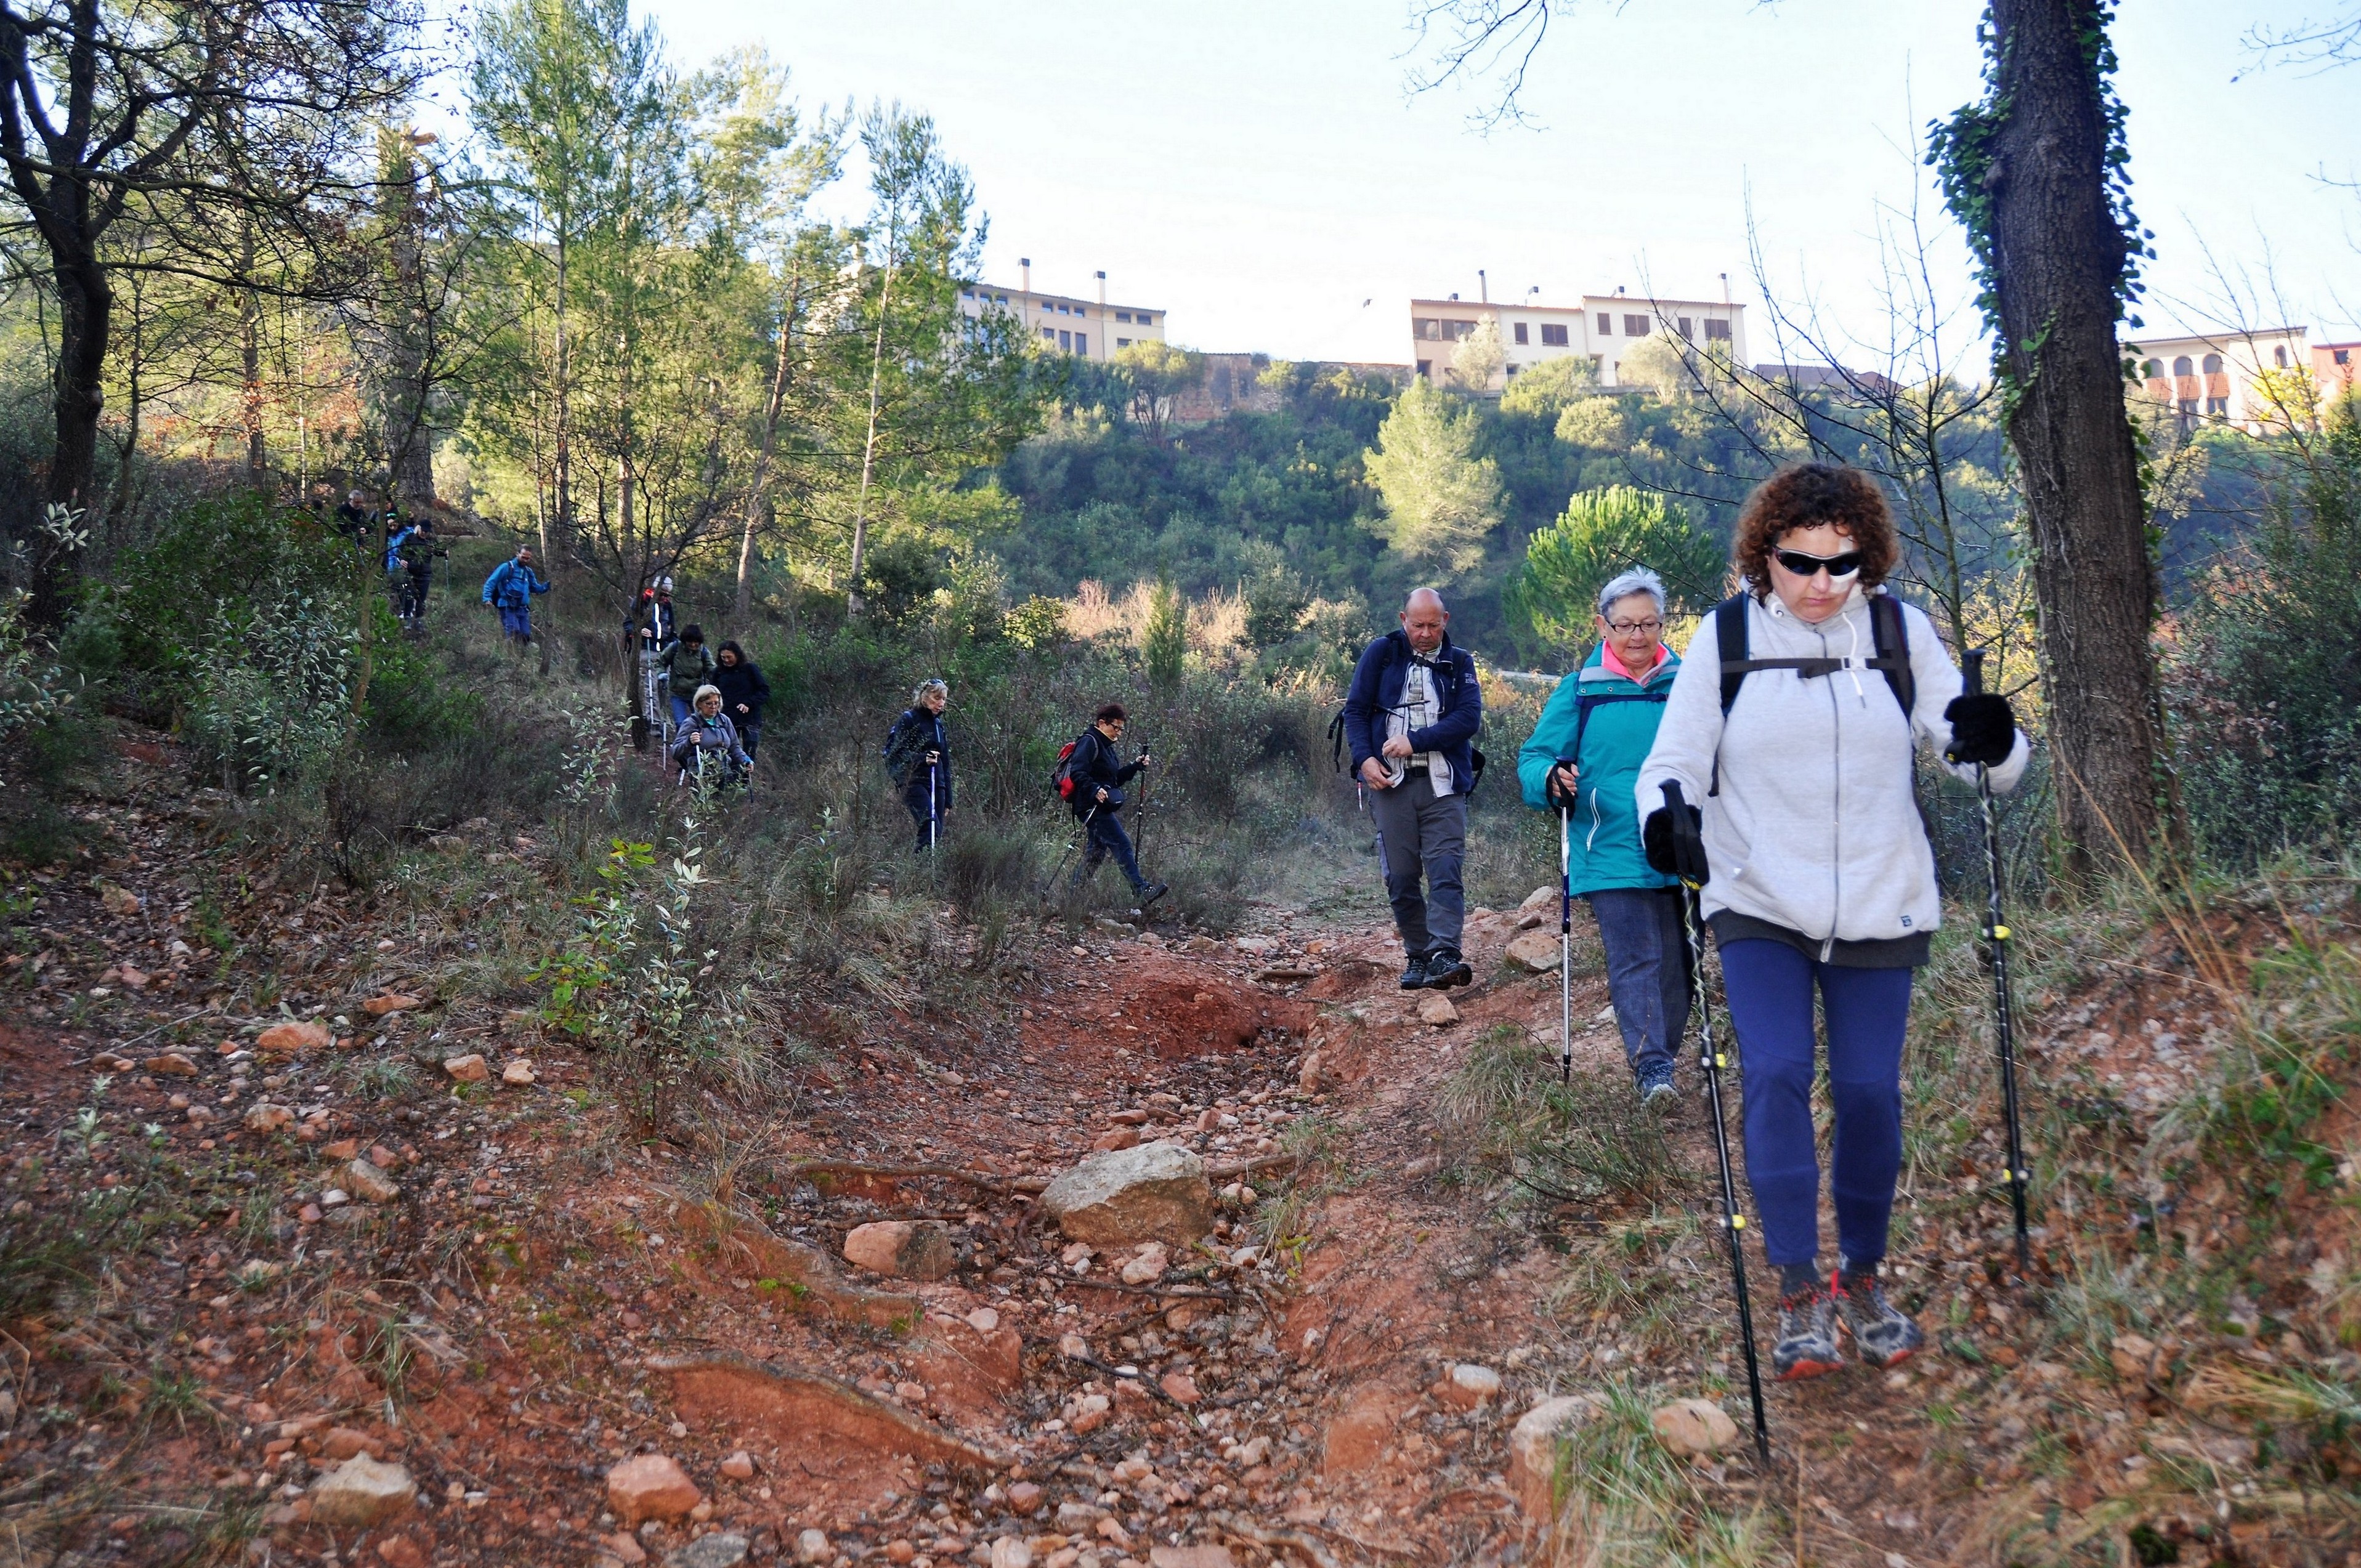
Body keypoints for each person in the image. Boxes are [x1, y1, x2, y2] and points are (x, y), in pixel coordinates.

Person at [1634, 461, 2027, 1381]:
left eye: (1840, 564)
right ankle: (1798, 1287)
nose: (1819, 583)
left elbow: (1973, 754)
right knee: (1774, 1072)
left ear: (1867, 560)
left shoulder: (1898, 631)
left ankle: (1863, 1275)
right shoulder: (1725, 636)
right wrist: (1665, 818)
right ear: (1764, 555)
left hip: (1879, 899)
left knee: (1867, 1092)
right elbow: (1672, 762)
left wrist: (1995, 737)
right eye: (1799, 562)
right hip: (1758, 896)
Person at [1517, 567, 1688, 1105]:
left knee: (1679, 963)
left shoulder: (1689, 685)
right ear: (1602, 626)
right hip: (1607, 844)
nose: (1637, 636)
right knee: (1635, 957)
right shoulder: (1580, 690)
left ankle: (1663, 1059)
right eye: (1625, 625)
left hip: (1682, 842)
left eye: (1648, 624)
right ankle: (1652, 1068)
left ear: (1662, 624)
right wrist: (1549, 779)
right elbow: (1534, 758)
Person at [1342, 587, 1484, 991]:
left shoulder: (1460, 662)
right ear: (1403, 620)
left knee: (1445, 870)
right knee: (1401, 877)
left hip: (1444, 784)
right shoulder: (1381, 653)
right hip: (1391, 784)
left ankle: (1444, 954)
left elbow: (1468, 719)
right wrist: (1364, 759)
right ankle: (1418, 955)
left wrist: (1415, 741)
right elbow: (1355, 711)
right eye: (1417, 625)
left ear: (1445, 621)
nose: (1425, 633)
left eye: (1432, 625)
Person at [1064, 701, 1167, 905]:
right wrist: (1094, 789)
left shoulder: (1107, 748)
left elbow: (1114, 780)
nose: (1118, 733)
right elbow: (1077, 772)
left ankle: (1071, 897)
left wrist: (1135, 766)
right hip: (1090, 806)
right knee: (1121, 843)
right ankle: (1141, 890)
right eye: (1116, 727)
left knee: (1096, 853)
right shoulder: (1089, 742)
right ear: (1102, 723)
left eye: (1121, 729)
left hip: (1099, 806)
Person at [881, 679, 953, 851]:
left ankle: (924, 866)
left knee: (936, 833)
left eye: (944, 699)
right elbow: (895, 753)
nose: (941, 703)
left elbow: (945, 762)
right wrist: (922, 758)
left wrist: (949, 799)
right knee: (929, 826)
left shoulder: (939, 726)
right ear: (924, 697)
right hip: (913, 781)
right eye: (937, 698)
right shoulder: (908, 719)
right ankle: (919, 867)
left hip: (937, 783)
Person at [669, 683, 751, 788]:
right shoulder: (691, 723)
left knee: (726, 796)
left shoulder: (724, 721)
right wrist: (689, 742)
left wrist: (746, 760)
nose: (713, 707)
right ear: (699, 704)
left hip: (724, 771)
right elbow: (675, 752)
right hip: (701, 773)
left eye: (716, 703)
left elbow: (735, 747)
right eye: (709, 704)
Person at [480, 546, 550, 647]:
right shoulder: (507, 567)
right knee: (514, 634)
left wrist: (549, 585)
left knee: (526, 636)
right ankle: (509, 654)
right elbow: (491, 582)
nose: (525, 560)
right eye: (523, 557)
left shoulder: (528, 572)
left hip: (523, 609)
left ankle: (522, 655)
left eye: (528, 558)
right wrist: (487, 598)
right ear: (518, 554)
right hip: (508, 606)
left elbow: (536, 588)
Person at [713, 641, 771, 761]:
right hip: (727, 719)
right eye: (723, 657)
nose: (726, 660)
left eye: (729, 657)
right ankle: (732, 773)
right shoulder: (718, 672)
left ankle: (746, 773)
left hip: (750, 719)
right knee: (729, 754)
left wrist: (749, 703)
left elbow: (764, 691)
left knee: (749, 753)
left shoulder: (750, 669)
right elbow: (712, 694)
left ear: (737, 655)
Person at [658, 624, 716, 732]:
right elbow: (661, 661)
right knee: (681, 723)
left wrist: (717, 681)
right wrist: (661, 673)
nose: (693, 645)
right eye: (690, 642)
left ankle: (698, 743)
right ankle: (683, 742)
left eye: (696, 642)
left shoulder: (704, 652)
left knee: (701, 722)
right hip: (677, 693)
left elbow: (711, 669)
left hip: (697, 694)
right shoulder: (675, 648)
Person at [394, 517, 445, 627]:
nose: (424, 533)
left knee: (421, 599)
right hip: (410, 574)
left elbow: (439, 551)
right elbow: (399, 552)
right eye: (423, 531)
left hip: (425, 575)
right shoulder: (410, 538)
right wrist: (401, 560)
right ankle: (407, 619)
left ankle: (419, 621)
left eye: (426, 532)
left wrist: (445, 552)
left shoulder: (431, 542)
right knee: (409, 596)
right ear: (419, 529)